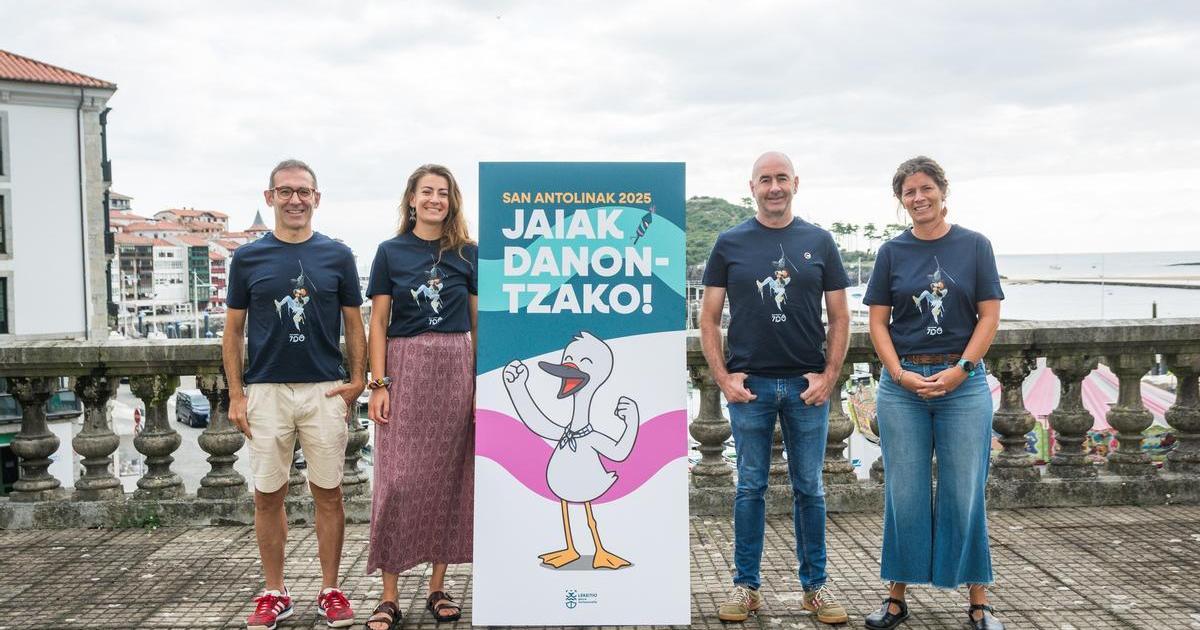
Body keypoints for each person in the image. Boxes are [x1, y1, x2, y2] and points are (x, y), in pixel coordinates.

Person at [700, 151, 851, 625]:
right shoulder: (729, 243)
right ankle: (746, 587)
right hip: (751, 388)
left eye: (781, 178)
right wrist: (723, 377)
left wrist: (829, 376)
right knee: (750, 488)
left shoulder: (819, 241)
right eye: (765, 179)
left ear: (795, 183)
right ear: (752, 187)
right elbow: (708, 317)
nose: (774, 187)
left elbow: (840, 317)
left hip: (807, 387)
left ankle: (816, 588)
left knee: (811, 489)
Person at [862, 156, 1004, 630]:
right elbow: (877, 322)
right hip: (902, 386)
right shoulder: (891, 252)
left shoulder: (975, 246)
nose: (918, 197)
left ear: (943, 191)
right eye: (909, 192)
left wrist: (962, 369)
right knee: (904, 493)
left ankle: (979, 600)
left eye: (926, 188)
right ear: (900, 200)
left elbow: (989, 315)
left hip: (963, 384)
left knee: (965, 491)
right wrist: (898, 373)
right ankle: (896, 597)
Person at [223, 159, 366, 630]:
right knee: (267, 494)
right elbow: (233, 331)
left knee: (330, 493)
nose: (295, 200)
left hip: (324, 388)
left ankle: (330, 590)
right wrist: (236, 394)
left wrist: (358, 380)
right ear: (270, 197)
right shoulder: (248, 258)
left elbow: (354, 322)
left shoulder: (338, 256)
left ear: (316, 198)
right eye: (285, 191)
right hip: (266, 390)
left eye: (303, 191)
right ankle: (274, 591)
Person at [363, 164, 477, 629]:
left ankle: (437, 586)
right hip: (405, 367)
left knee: (450, 480)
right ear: (411, 198)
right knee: (397, 483)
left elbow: (477, 322)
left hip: (454, 368)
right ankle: (389, 595)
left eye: (443, 193)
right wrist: (378, 383)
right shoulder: (390, 252)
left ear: (452, 201)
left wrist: (479, 384)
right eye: (426, 191)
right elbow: (378, 322)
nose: (435, 199)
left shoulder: (468, 253)